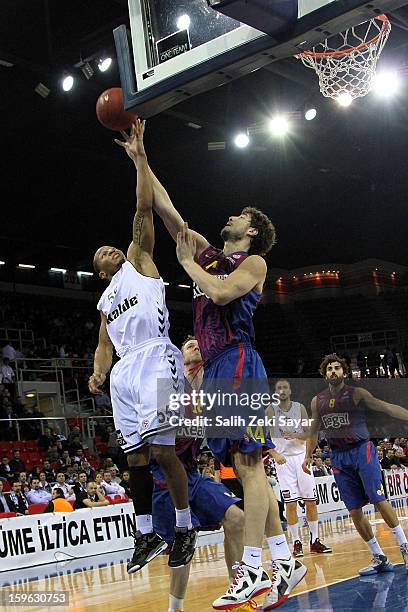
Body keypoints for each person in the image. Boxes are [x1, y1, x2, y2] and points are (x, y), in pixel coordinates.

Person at [150, 160, 306, 608]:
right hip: (217, 367)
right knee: (245, 466)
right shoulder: (206, 253)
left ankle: (253, 568)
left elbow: (220, 294)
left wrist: (184, 265)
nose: (231, 217)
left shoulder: (253, 261)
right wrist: (142, 161)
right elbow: (169, 213)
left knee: (250, 466)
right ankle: (286, 560)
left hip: (237, 359)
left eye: (240, 215)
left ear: (253, 230)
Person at [89, 119, 195, 573]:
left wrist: (140, 159)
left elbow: (143, 210)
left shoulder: (138, 260)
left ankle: (185, 527)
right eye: (103, 254)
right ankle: (147, 533)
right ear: (98, 271)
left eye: (113, 248)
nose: (111, 250)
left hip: (156, 356)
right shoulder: (104, 299)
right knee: (133, 455)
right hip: (124, 373)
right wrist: (97, 371)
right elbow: (102, 344)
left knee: (164, 450)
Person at [152, 336, 251, 612]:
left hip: (193, 475)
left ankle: (237, 593)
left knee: (237, 519)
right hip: (166, 479)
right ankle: (176, 608)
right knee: (186, 542)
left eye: (198, 344)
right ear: (178, 356)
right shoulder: (168, 386)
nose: (195, 346)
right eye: (189, 346)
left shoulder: (208, 389)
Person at [303, 353, 408, 575]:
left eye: (337, 368)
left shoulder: (357, 393)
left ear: (344, 372)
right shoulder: (317, 401)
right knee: (354, 510)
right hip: (338, 456)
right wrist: (307, 456)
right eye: (329, 368)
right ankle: (379, 556)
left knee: (378, 499)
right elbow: (313, 431)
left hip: (362, 450)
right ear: (324, 374)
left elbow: (386, 407)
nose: (333, 371)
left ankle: (404, 546)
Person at [267, 379, 332, 559]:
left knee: (311, 501)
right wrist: (273, 453)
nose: (282, 390)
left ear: (290, 390)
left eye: (285, 387)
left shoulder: (299, 408)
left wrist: (303, 448)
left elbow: (309, 433)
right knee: (291, 504)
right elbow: (260, 433)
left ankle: (315, 540)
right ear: (275, 391)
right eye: (279, 387)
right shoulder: (271, 410)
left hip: (301, 458)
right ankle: (296, 542)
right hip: (283, 461)